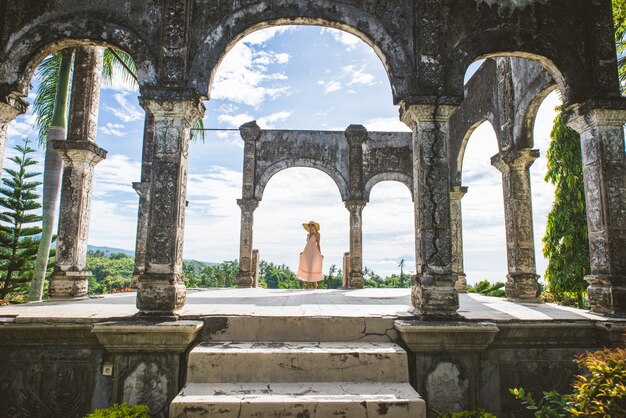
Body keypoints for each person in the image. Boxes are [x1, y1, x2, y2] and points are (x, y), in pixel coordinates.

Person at [297, 221, 324, 289]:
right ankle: (315, 284)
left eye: (312, 225)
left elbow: (318, 244)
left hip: (314, 252)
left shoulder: (317, 234)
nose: (311, 226)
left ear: (315, 226)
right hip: (307, 251)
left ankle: (307, 285)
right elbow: (307, 244)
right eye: (309, 225)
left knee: (311, 267)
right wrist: (303, 252)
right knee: (308, 267)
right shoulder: (308, 234)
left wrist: (319, 254)